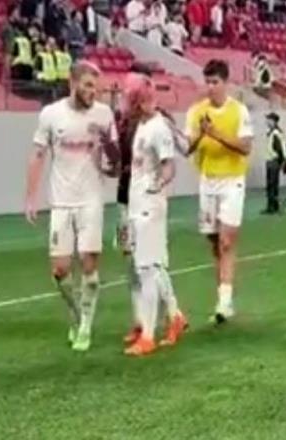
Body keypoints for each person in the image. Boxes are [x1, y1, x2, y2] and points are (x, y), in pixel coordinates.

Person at [25, 61, 120, 352]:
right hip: (61, 202)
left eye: (96, 87)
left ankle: (86, 327)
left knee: (89, 262)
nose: (93, 92)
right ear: (73, 83)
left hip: (91, 200)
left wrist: (109, 150)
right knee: (60, 270)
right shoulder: (51, 114)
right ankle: (76, 315)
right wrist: (31, 197)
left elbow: (115, 161)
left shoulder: (103, 114)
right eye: (88, 85)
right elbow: (38, 155)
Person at [122, 74, 188, 356]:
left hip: (149, 204)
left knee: (146, 269)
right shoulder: (142, 125)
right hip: (137, 203)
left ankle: (148, 335)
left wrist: (158, 184)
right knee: (154, 266)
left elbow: (169, 165)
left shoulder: (159, 127)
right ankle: (175, 317)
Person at [184, 59, 254, 323]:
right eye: (208, 82)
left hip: (232, 180)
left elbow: (245, 147)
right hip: (208, 181)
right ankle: (224, 296)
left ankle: (224, 302)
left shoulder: (239, 111)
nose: (210, 87)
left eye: (215, 82)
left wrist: (216, 134)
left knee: (227, 241)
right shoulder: (196, 112)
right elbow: (187, 147)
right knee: (214, 243)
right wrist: (202, 134)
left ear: (226, 83)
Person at [262, 112, 285, 215]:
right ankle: (274, 206)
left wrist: (279, 161)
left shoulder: (275, 133)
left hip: (273, 161)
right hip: (271, 160)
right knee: (272, 185)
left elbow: (279, 148)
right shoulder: (272, 132)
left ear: (274, 121)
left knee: (272, 185)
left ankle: (272, 207)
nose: (267, 122)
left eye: (269, 120)